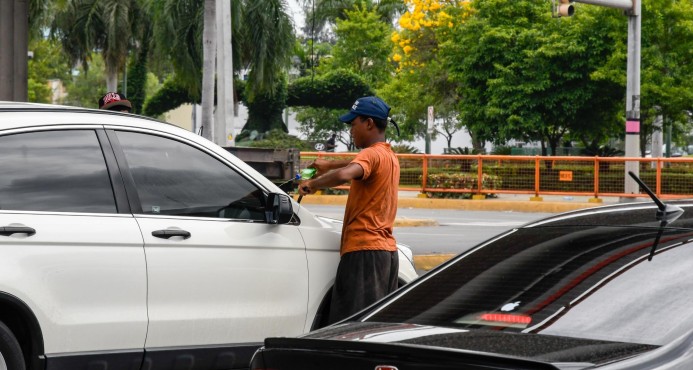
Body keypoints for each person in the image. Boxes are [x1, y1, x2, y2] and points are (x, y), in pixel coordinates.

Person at [298, 96, 401, 324]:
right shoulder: (388, 155)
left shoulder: (370, 154)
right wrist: (328, 164)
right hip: (385, 255)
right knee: (373, 325)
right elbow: (356, 164)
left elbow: (347, 173)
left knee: (352, 329)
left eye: (353, 124)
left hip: (364, 253)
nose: (351, 131)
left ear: (369, 123)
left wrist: (313, 184)